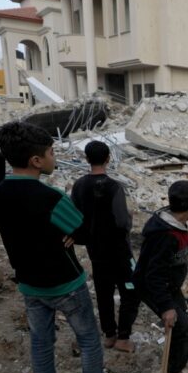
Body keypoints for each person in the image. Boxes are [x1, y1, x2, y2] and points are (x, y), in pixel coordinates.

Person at [0, 120, 125, 373]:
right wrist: (70, 234)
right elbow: (82, 230)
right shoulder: (50, 198)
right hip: (66, 282)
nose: (54, 157)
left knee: (40, 345)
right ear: (36, 160)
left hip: (29, 284)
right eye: (51, 152)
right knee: (89, 341)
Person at [132, 181, 188, 373]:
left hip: (169, 285)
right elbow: (153, 275)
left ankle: (173, 366)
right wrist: (165, 307)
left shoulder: (171, 224)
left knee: (181, 325)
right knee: (187, 331)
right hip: (154, 286)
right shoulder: (165, 236)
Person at [71, 141, 139, 353]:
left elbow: (74, 216)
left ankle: (109, 334)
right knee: (130, 290)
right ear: (108, 158)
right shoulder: (114, 186)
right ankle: (123, 337)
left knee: (104, 292)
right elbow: (121, 221)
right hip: (119, 252)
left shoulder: (79, 186)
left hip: (96, 252)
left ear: (86, 159)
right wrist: (129, 219)